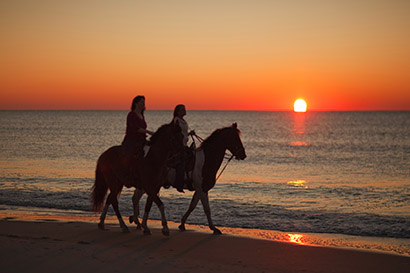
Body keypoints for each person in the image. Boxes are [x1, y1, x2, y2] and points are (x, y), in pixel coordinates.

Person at [172, 104, 193, 192]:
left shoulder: (183, 120)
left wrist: (189, 134)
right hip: (178, 146)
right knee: (182, 160)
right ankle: (179, 182)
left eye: (184, 109)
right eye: (182, 109)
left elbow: (183, 134)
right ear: (178, 111)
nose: (185, 110)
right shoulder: (176, 120)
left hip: (184, 144)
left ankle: (189, 178)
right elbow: (175, 133)